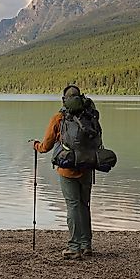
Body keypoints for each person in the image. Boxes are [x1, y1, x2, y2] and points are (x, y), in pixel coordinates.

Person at [32, 85, 99, 260]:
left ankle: (74, 246)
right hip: (88, 166)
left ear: (64, 100)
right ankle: (87, 245)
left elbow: (46, 145)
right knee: (84, 205)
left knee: (73, 206)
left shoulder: (59, 118)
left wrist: (36, 146)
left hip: (68, 169)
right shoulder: (90, 116)